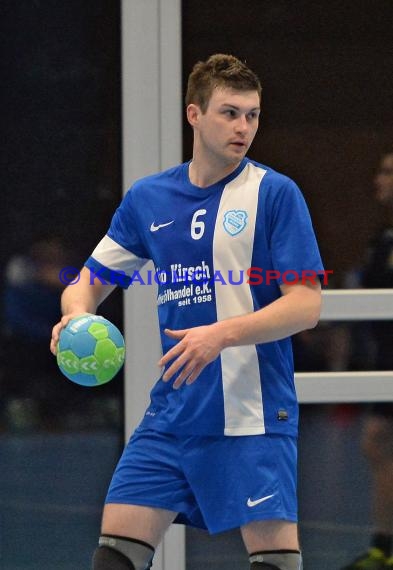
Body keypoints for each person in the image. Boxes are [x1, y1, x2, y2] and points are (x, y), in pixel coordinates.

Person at [51, 54, 324, 570]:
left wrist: (219, 335)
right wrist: (76, 316)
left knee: (275, 561)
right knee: (114, 553)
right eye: (229, 113)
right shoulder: (150, 199)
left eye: (253, 114)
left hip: (252, 414)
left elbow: (307, 305)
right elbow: (86, 283)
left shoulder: (275, 194)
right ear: (194, 114)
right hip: (174, 413)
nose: (244, 127)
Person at [341, 152, 393, 570]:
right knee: (379, 444)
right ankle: (383, 547)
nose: (380, 178)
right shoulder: (384, 237)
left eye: (389, 172)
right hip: (385, 357)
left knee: (378, 440)